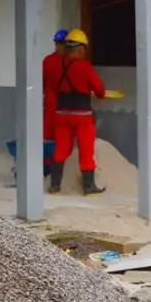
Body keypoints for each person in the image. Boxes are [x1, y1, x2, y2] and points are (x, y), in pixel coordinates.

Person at [49, 29, 107, 195]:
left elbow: (53, 88)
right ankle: (89, 186)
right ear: (80, 49)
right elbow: (100, 91)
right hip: (82, 117)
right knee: (86, 151)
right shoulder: (85, 67)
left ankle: (55, 185)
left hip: (61, 115)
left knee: (60, 150)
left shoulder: (57, 66)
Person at [41, 29, 68, 160]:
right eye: (59, 43)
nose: (60, 46)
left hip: (64, 107)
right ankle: (50, 166)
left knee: (62, 140)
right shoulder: (49, 61)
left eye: (62, 43)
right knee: (51, 139)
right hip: (54, 107)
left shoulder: (70, 61)